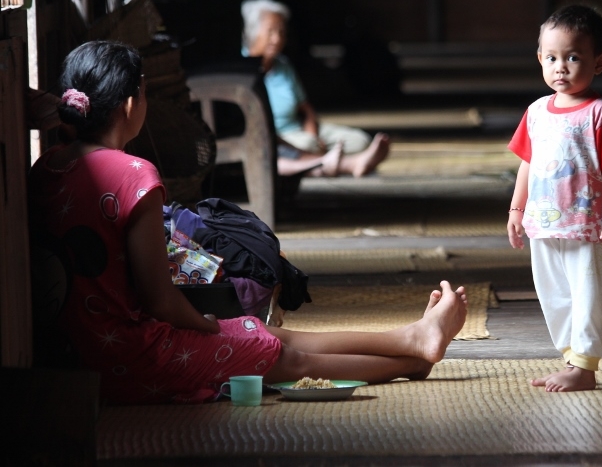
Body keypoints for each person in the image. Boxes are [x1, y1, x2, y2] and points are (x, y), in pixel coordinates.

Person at [28, 40, 468, 405]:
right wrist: (205, 324)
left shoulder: (47, 168)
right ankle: (412, 356)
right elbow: (161, 301)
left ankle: (412, 342)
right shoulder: (133, 175)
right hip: (129, 356)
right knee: (276, 354)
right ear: (129, 104)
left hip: (74, 353)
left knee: (259, 334)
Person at [506, 5, 602, 392]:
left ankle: (585, 366)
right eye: (551, 57)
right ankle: (570, 358)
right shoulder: (535, 113)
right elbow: (527, 163)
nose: (560, 66)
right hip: (542, 223)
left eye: (573, 57)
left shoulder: (600, 113)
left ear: (599, 63)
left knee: (585, 292)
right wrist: (516, 209)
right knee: (552, 293)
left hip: (585, 223)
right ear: (540, 60)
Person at [241, 0, 390, 177]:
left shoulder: (284, 65)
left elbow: (306, 108)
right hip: (277, 137)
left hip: (300, 130)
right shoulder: (241, 69)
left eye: (282, 32)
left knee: (360, 141)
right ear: (253, 33)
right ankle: (343, 163)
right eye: (271, 31)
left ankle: (331, 159)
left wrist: (313, 134)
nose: (277, 38)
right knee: (301, 147)